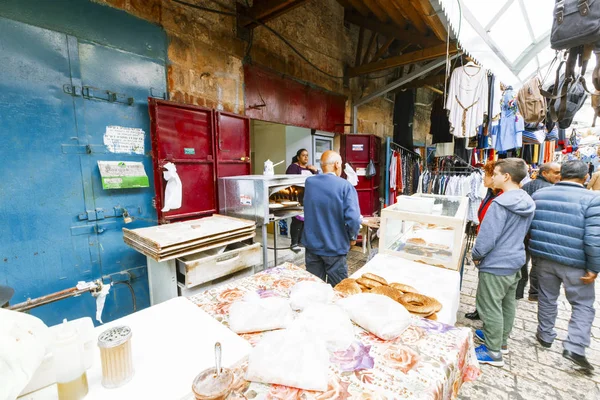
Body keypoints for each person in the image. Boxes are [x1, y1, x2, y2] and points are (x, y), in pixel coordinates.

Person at [529, 160, 600, 372]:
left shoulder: (540, 195)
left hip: (543, 258)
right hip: (576, 263)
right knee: (582, 304)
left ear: (561, 175)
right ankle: (575, 347)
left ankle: (545, 335)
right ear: (586, 176)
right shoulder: (593, 199)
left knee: (547, 297)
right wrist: (594, 267)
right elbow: (594, 238)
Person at [471, 158, 535, 367]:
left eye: (496, 173)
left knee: (489, 306)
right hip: (515, 259)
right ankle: (501, 341)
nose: (493, 177)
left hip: (496, 262)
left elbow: (488, 236)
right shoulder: (526, 200)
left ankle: (492, 350)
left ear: (506, 176)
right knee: (507, 303)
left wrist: (477, 254)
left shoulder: (500, 203)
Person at [302, 150, 361, 287]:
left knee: (315, 288)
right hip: (335, 247)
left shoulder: (310, 182)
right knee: (338, 290)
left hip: (312, 246)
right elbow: (353, 219)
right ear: (336, 164)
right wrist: (353, 237)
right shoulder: (345, 186)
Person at [516, 162, 561, 301]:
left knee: (522, 261)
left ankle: (518, 291)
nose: (559, 175)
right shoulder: (552, 190)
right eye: (556, 172)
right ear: (544, 173)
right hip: (539, 233)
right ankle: (534, 293)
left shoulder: (527, 186)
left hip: (523, 231)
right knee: (537, 264)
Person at [465, 160, 503, 321]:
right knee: (484, 284)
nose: (483, 178)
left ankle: (492, 336)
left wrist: (478, 253)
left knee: (491, 290)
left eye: (488, 175)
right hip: (486, 244)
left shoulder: (501, 199)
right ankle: (480, 310)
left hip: (493, 249)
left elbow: (494, 228)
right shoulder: (491, 194)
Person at [286, 149, 318, 252]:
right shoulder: (293, 167)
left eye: (307, 155)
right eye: (303, 155)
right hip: (298, 198)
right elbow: (290, 181)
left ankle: (301, 241)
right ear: (298, 157)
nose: (306, 157)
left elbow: (318, 181)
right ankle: (294, 243)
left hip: (309, 198)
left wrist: (316, 170)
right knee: (297, 221)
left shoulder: (310, 169)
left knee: (306, 221)